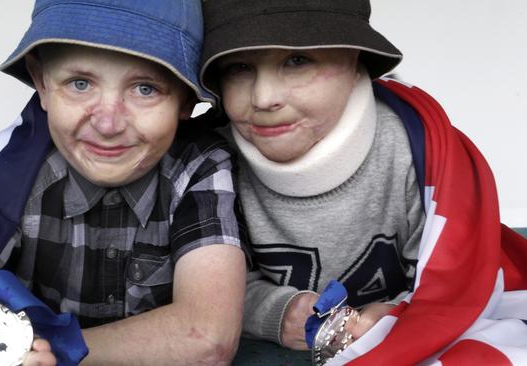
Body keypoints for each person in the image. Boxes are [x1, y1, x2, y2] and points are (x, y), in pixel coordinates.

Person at [0, 1, 246, 365]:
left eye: (145, 89)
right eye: (80, 83)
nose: (108, 124)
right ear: (41, 82)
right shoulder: (9, 172)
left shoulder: (199, 165)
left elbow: (206, 340)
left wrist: (48, 348)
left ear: (187, 98)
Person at [197, 0, 527, 364]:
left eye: (297, 60)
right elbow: (203, 289)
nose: (264, 97)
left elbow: (449, 280)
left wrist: (395, 313)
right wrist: (278, 311)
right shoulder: (210, 163)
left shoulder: (416, 151)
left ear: (355, 60)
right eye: (239, 67)